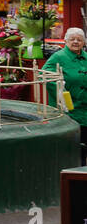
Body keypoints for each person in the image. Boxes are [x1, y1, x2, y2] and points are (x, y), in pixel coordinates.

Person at [43, 27, 87, 161]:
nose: (76, 42)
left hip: (85, 109)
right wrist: (62, 94)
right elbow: (44, 76)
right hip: (69, 109)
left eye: (79, 39)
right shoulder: (58, 56)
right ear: (65, 41)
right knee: (73, 148)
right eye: (72, 39)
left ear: (84, 42)